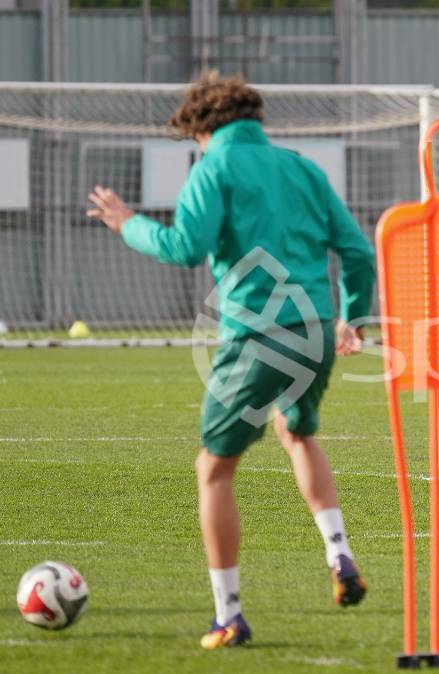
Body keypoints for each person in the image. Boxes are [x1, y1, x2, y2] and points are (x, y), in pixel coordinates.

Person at [86, 72, 375, 649]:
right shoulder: (300, 167)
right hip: (315, 329)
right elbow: (358, 252)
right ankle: (340, 555)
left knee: (213, 470)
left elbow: (184, 247)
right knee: (297, 432)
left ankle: (228, 615)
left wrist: (129, 224)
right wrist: (353, 316)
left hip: (256, 335)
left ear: (200, 129)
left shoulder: (214, 168)